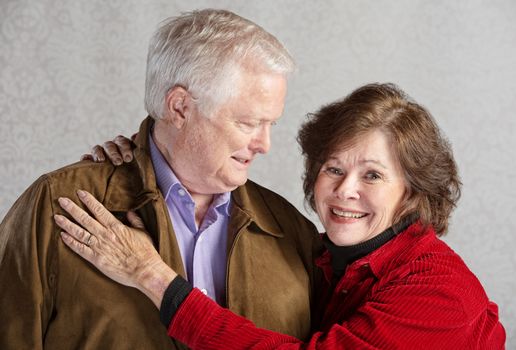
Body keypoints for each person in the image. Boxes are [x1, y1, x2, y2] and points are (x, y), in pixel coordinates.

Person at [55, 83, 505, 349]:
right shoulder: (319, 257)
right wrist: (152, 157)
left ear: (412, 192)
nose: (346, 190)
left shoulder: (438, 290)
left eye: (373, 175)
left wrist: (153, 276)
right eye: (334, 168)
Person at [0, 9, 321, 349]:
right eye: (247, 123)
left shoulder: (291, 230)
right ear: (180, 107)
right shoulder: (58, 205)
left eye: (271, 124)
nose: (264, 145)